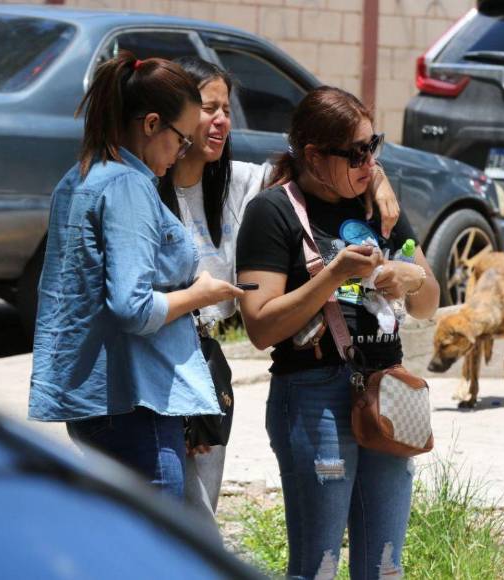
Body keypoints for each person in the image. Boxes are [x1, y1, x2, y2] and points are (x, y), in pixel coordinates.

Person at [156, 58, 403, 519]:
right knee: (165, 518)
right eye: (209, 108)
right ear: (177, 114)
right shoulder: (145, 190)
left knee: (199, 515)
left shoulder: (243, 185)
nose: (221, 120)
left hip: (204, 365)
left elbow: (319, 166)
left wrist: (381, 178)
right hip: (155, 363)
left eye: (226, 108)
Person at [236, 86, 440, 580]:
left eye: (375, 147)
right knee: (318, 566)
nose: (369, 161)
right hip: (313, 396)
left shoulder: (376, 206)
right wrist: (333, 275)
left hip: (389, 389)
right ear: (312, 155)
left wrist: (411, 277)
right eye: (356, 152)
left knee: (386, 567)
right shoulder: (272, 212)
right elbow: (260, 326)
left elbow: (429, 301)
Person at [28, 51, 243, 499]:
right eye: (181, 139)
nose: (182, 151)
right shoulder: (128, 185)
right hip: (131, 400)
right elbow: (132, 306)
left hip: (98, 400)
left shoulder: (81, 175)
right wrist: (201, 294)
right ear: (150, 124)